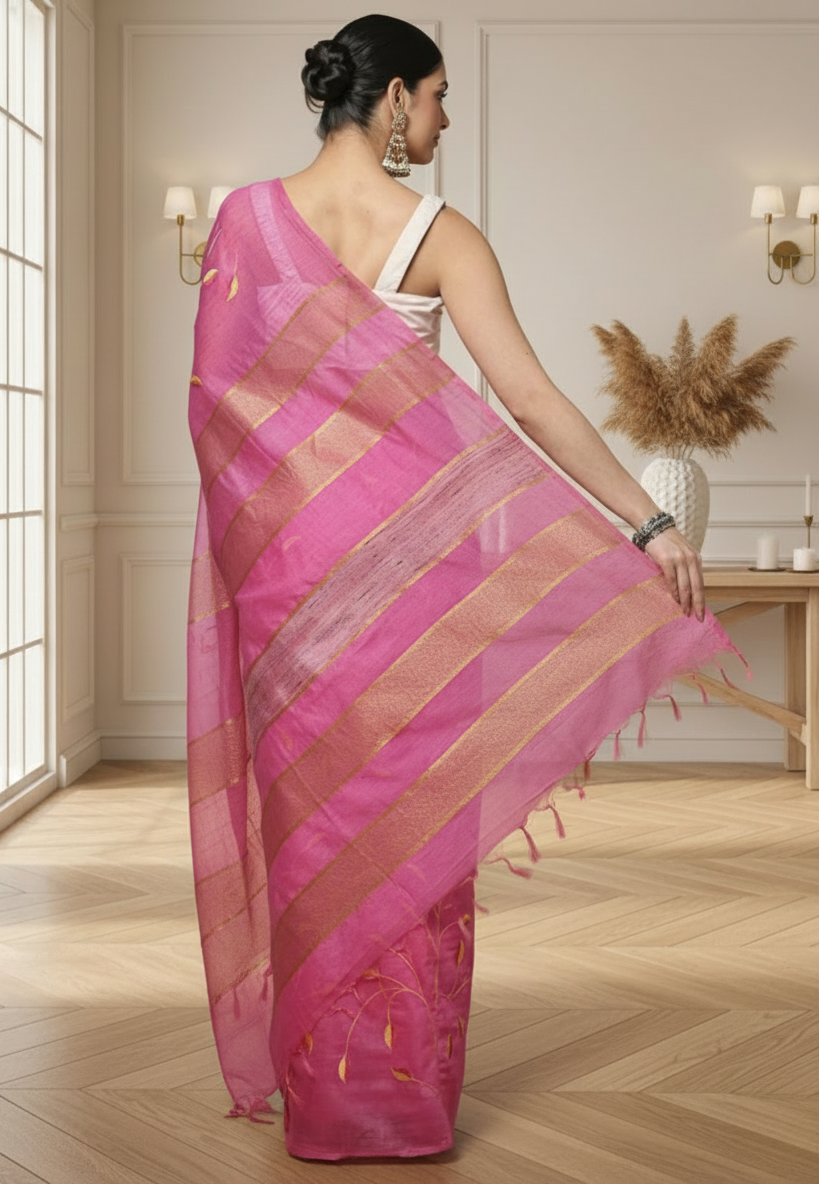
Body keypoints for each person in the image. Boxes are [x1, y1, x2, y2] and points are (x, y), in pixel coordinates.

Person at [185, 14, 735, 1161]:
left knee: (315, 838)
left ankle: (330, 1102)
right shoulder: (441, 234)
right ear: (392, 99)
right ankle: (401, 1103)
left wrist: (271, 559)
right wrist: (643, 521)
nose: (444, 117)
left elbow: (218, 411)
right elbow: (528, 399)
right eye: (437, 96)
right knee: (417, 834)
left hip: (290, 595)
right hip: (420, 592)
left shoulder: (243, 220)